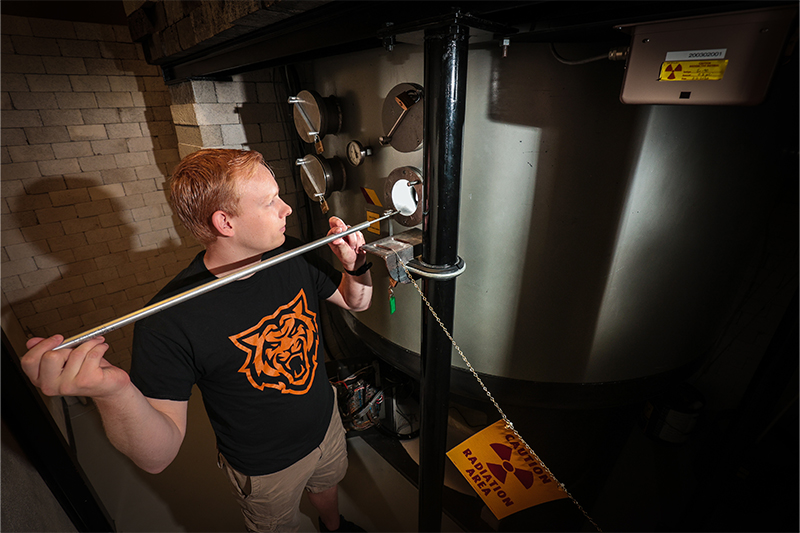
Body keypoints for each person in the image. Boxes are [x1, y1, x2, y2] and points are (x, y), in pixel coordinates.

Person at [20, 148, 371, 532]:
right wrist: (114, 391)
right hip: (266, 466)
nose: (286, 208)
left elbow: (357, 302)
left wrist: (356, 266)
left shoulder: (290, 252)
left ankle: (334, 527)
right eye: (271, 201)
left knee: (327, 484)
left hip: (325, 422)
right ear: (225, 222)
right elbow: (158, 456)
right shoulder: (169, 321)